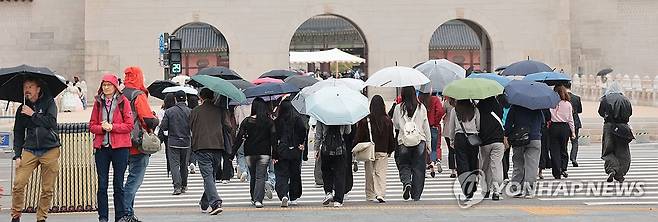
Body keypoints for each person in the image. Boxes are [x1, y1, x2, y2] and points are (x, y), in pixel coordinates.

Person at [11, 77, 61, 222]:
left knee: (47, 188)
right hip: (30, 149)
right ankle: (16, 215)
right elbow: (18, 132)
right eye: (25, 87)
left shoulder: (49, 102)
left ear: (38, 89)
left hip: (50, 149)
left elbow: (51, 123)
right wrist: (17, 154)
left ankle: (41, 218)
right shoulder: (22, 108)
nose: (27, 90)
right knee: (18, 183)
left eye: (30, 87)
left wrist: (32, 114)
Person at [89, 74, 134, 222]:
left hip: (120, 148)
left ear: (115, 86)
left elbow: (129, 125)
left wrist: (112, 127)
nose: (106, 87)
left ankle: (119, 216)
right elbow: (92, 125)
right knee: (102, 185)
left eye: (109, 85)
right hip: (102, 148)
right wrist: (102, 129)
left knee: (118, 184)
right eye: (104, 85)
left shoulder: (123, 102)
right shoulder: (98, 103)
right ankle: (103, 217)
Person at [122, 66, 159, 222]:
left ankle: (127, 212)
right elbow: (147, 119)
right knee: (134, 180)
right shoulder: (138, 95)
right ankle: (126, 213)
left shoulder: (120, 94)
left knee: (125, 180)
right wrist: (154, 119)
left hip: (121, 144)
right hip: (137, 145)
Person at [233, 98, 276, 208]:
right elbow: (273, 139)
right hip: (264, 153)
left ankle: (253, 197)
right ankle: (258, 200)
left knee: (253, 176)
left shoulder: (247, 121)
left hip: (250, 152)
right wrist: (275, 154)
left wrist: (232, 153)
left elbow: (239, 138)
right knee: (260, 177)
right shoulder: (269, 122)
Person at [392, 86, 431, 201]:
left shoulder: (398, 108)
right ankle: (416, 194)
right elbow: (426, 126)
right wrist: (428, 143)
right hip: (419, 141)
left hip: (403, 141)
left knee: (404, 164)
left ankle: (407, 183)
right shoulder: (421, 107)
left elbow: (396, 125)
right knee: (419, 167)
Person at [353, 95, 395, 203]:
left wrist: (356, 147)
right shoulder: (387, 120)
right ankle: (380, 193)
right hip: (383, 150)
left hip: (369, 150)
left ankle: (370, 194)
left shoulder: (365, 120)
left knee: (369, 173)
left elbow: (359, 136)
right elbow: (391, 137)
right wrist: (390, 150)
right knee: (380, 173)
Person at [190, 88, 225, 215]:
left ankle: (215, 202)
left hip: (202, 146)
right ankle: (204, 202)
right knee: (211, 176)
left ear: (201, 97)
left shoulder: (195, 111)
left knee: (208, 176)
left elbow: (191, 127)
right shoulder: (220, 110)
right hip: (217, 146)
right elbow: (228, 126)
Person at [504, 105, 544, 198]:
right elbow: (543, 122)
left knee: (518, 163)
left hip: (518, 137)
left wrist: (506, 135)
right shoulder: (537, 107)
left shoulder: (515, 107)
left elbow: (508, 123)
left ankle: (516, 188)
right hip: (534, 138)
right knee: (532, 165)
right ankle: (529, 190)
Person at [273, 99, 306, 207]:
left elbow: (274, 137)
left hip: (282, 149)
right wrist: (300, 143)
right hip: (295, 149)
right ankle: (294, 197)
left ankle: (283, 195)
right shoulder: (297, 119)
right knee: (295, 174)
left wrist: (275, 152)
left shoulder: (277, 121)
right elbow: (303, 132)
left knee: (282, 174)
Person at [598, 82, 633, 183]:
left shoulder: (605, 99)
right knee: (623, 151)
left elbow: (600, 112)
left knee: (608, 150)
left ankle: (611, 169)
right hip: (622, 127)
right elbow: (630, 113)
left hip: (609, 126)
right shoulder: (625, 99)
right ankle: (620, 174)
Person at [446, 99, 480, 201]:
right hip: (473, 138)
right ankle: (473, 185)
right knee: (473, 162)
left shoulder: (455, 110)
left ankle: (467, 188)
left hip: (460, 137)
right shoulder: (475, 109)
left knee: (462, 164)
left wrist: (451, 139)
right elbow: (478, 125)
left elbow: (451, 128)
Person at [161, 91, 192, 195]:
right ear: (185, 99)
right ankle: (184, 185)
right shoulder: (190, 111)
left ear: (176, 99)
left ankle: (177, 187)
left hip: (173, 141)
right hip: (186, 141)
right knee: (184, 165)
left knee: (174, 165)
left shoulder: (169, 111)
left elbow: (164, 127)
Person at [315, 121, 351, 207]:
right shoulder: (344, 115)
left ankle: (328, 192)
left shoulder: (321, 114)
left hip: (326, 149)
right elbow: (348, 131)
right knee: (340, 174)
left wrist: (316, 148)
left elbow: (318, 134)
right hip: (340, 149)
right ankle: (338, 200)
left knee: (326, 172)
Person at [476, 97, 505, 201]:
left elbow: (477, 125)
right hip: (498, 140)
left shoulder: (478, 108)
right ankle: (496, 191)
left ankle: (485, 190)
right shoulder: (498, 106)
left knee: (485, 166)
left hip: (485, 141)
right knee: (496, 166)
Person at [548, 85, 576, 179]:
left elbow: (549, 116)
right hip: (564, 127)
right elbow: (570, 119)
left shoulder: (551, 103)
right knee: (563, 148)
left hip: (554, 127)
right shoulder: (568, 104)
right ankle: (563, 168)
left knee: (554, 150)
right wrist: (573, 132)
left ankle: (557, 171)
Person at [419, 91, 445, 177]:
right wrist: (436, 121)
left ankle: (426, 166)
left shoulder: (419, 100)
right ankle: (433, 162)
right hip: (433, 126)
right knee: (434, 146)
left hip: (422, 127)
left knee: (424, 147)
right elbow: (440, 111)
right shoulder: (434, 99)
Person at [566, 83, 583, 167]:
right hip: (575, 120)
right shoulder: (577, 98)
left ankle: (564, 159)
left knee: (564, 142)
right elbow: (580, 110)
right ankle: (573, 158)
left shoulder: (561, 97)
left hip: (564, 121)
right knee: (575, 142)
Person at [443, 96, 458, 178]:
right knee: (459, 151)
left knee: (451, 151)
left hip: (448, 129)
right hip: (458, 129)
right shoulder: (460, 102)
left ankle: (452, 171)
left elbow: (441, 112)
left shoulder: (446, 103)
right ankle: (459, 168)